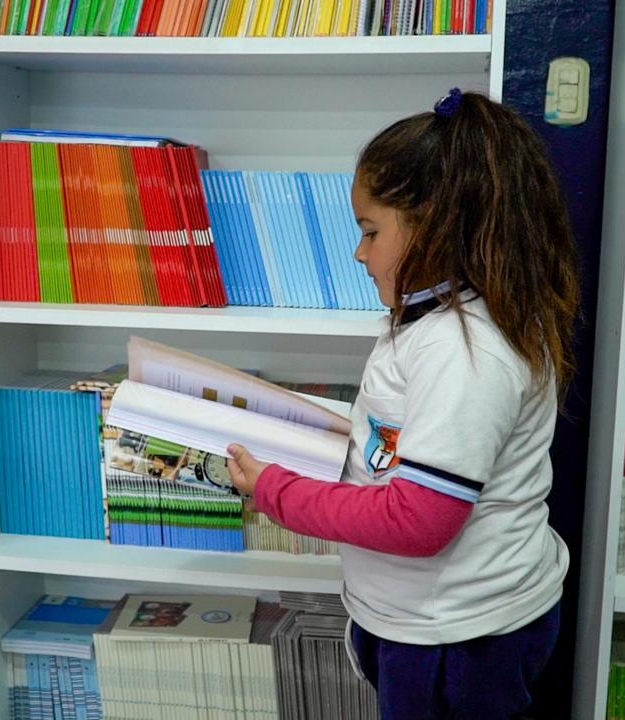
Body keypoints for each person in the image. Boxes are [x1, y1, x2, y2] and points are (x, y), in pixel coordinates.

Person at [226, 88, 581, 719]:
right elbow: (400, 440)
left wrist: (276, 491)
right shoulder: (437, 321)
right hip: (429, 621)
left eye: (370, 232)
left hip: (457, 635)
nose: (359, 253)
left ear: (437, 225)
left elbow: (420, 520)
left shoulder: (464, 351)